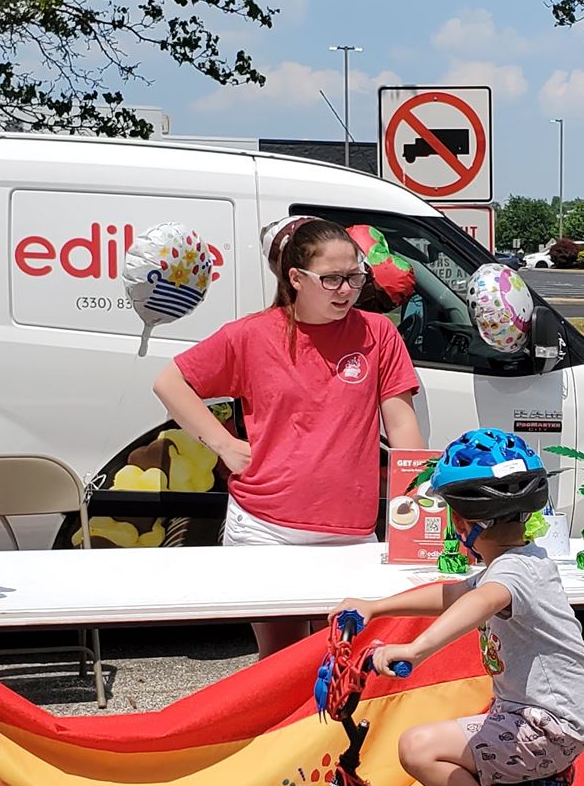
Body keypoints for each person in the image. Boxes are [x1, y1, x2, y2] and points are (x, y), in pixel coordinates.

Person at [337, 429, 584, 786]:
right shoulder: (512, 562)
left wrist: (414, 648)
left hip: (549, 726)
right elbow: (453, 592)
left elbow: (477, 603)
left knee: (419, 748)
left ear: (466, 520)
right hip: (523, 718)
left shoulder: (515, 574)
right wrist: (377, 608)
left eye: (453, 512)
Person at [155, 215, 423, 656]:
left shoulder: (379, 334)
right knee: (279, 663)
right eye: (332, 279)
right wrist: (222, 443)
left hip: (350, 532)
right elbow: (170, 382)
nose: (346, 291)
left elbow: (402, 426)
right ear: (296, 278)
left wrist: (415, 502)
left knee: (341, 657)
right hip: (266, 528)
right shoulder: (251, 334)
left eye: (354, 278)